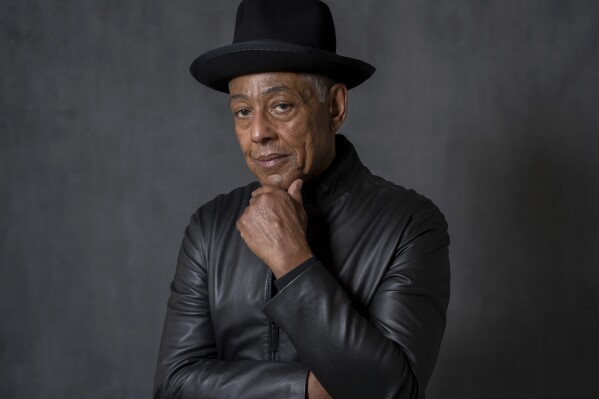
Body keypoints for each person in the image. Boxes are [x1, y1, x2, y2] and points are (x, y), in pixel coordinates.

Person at [153, 1, 450, 398]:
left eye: (281, 106)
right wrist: (306, 389)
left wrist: (291, 261)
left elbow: (391, 393)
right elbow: (173, 387)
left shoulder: (409, 225)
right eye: (242, 111)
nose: (258, 132)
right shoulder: (209, 227)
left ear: (335, 107)